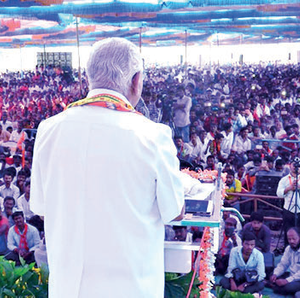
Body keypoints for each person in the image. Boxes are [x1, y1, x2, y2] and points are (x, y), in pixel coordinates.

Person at [30, 38, 184, 298]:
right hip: (132, 287)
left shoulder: (49, 129)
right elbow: (175, 213)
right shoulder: (153, 135)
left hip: (69, 288)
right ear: (136, 80)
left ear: (87, 79)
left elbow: (42, 209)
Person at [276, 159, 300, 244]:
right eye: (294, 165)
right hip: (289, 209)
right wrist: (289, 188)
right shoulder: (284, 179)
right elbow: (279, 193)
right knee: (288, 231)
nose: (295, 167)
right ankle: (287, 249)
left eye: (298, 165)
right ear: (290, 166)